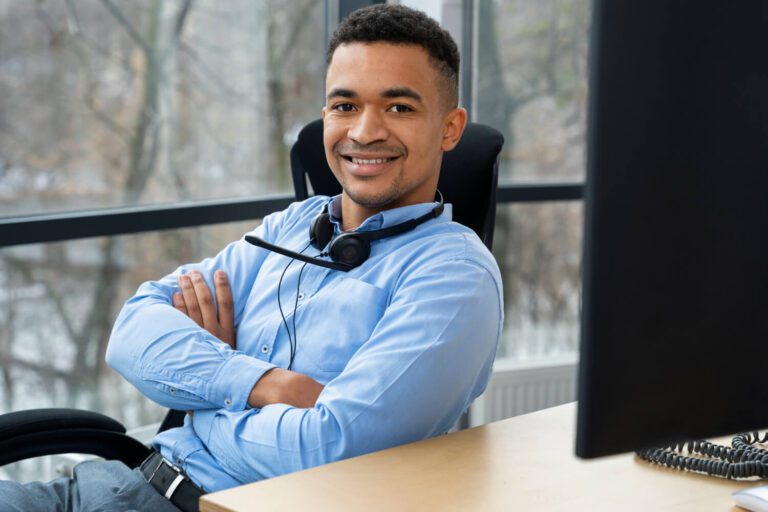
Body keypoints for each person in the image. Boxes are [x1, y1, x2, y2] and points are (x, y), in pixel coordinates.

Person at [0, 4, 503, 511]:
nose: (365, 131)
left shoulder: (454, 277)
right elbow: (132, 332)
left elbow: (328, 448)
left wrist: (200, 397)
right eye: (344, 105)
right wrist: (263, 383)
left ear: (450, 128)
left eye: (399, 108)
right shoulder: (293, 226)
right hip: (116, 484)